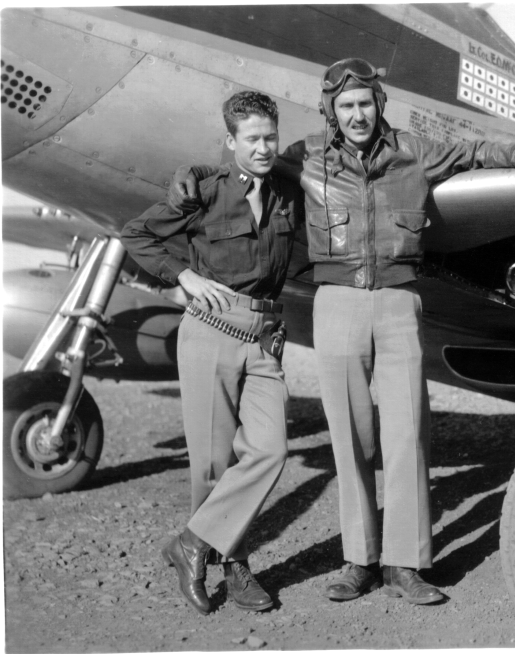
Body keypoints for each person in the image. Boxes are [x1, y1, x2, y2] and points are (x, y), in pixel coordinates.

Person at [168, 58, 515, 605]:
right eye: (346, 106)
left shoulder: (416, 151)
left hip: (400, 302)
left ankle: (405, 565)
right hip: (336, 305)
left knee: (407, 431)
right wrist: (197, 177)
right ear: (331, 112)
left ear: (380, 104)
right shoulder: (302, 156)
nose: (357, 115)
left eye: (365, 103)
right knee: (350, 436)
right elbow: (247, 164)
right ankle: (358, 561)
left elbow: (477, 149)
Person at [122, 91, 302, 615]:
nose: (265, 147)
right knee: (212, 462)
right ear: (231, 142)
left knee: (270, 450)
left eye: (270, 136)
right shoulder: (202, 190)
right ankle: (234, 564)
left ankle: (192, 545)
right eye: (253, 139)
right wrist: (185, 277)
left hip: (265, 336)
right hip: (211, 329)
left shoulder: (288, 191)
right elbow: (138, 235)